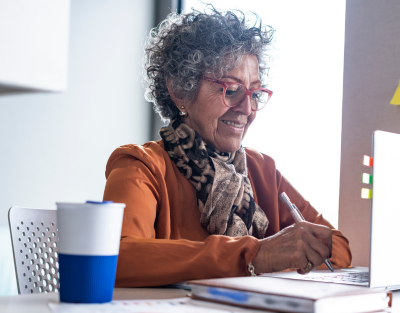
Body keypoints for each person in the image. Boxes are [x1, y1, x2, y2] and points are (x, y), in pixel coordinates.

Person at [103, 6, 352, 287]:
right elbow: (115, 259)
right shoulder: (141, 165)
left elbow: (340, 248)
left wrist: (303, 248)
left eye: (254, 93)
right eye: (231, 90)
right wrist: (258, 255)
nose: (247, 108)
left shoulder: (263, 170)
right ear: (179, 91)